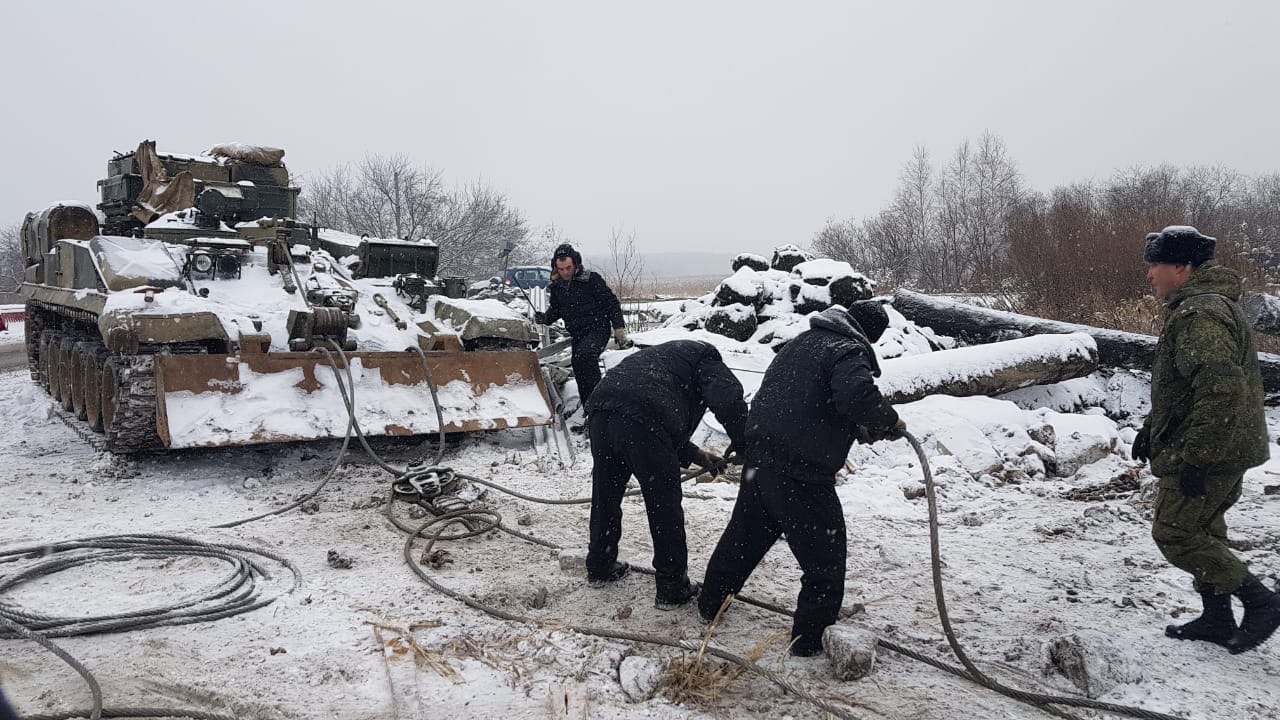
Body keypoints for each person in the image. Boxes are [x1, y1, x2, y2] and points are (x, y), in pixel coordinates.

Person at [699, 301, 904, 656]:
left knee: (742, 540)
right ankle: (808, 641)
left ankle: (710, 604)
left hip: (760, 460)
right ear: (870, 335)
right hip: (801, 472)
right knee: (824, 560)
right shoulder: (846, 349)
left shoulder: (803, 342)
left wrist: (859, 428)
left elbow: (807, 403)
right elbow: (856, 395)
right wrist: (888, 419)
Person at [1132, 225, 1279, 654]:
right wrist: (1151, 426)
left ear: (1181, 267)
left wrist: (1198, 456)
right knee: (1205, 528)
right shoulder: (1205, 307)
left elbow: (1219, 390)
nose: (1150, 275)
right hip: (1230, 441)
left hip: (1214, 446)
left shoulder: (1199, 314)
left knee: (1176, 533)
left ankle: (1260, 601)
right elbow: (1182, 387)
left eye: (1155, 265)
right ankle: (1217, 617)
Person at [585, 339, 748, 609]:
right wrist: (745, 442)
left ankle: (600, 564)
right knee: (664, 504)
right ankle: (672, 585)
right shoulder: (707, 357)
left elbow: (655, 410)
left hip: (602, 410)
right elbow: (727, 398)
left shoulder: (664, 360)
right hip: (642, 420)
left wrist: (697, 456)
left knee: (606, 494)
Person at [534, 244, 626, 412]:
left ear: (576, 264)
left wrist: (619, 327)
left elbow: (611, 303)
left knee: (586, 356)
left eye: (568, 268)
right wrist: (545, 318)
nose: (565, 272)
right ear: (556, 267)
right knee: (578, 366)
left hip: (598, 328)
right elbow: (557, 309)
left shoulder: (591, 279)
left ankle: (600, 406)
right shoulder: (557, 287)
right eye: (561, 269)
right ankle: (589, 408)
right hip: (578, 333)